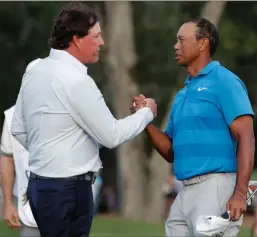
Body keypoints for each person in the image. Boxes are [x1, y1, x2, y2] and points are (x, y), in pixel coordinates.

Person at [10, 2, 157, 237]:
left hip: (41, 187)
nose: (102, 42)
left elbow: (17, 129)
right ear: (77, 39)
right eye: (96, 36)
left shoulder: (34, 70)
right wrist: (147, 112)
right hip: (68, 190)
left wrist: (49, 156)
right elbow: (112, 135)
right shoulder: (76, 80)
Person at [133, 18, 255, 236]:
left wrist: (239, 192)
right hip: (184, 190)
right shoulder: (182, 94)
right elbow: (171, 151)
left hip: (215, 187)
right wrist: (145, 121)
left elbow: (246, 136)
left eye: (182, 40)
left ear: (203, 44)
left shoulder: (224, 81)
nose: (175, 46)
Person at [0, 59, 42, 236]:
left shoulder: (68, 113)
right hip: (29, 210)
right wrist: (8, 203)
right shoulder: (12, 117)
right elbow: (7, 158)